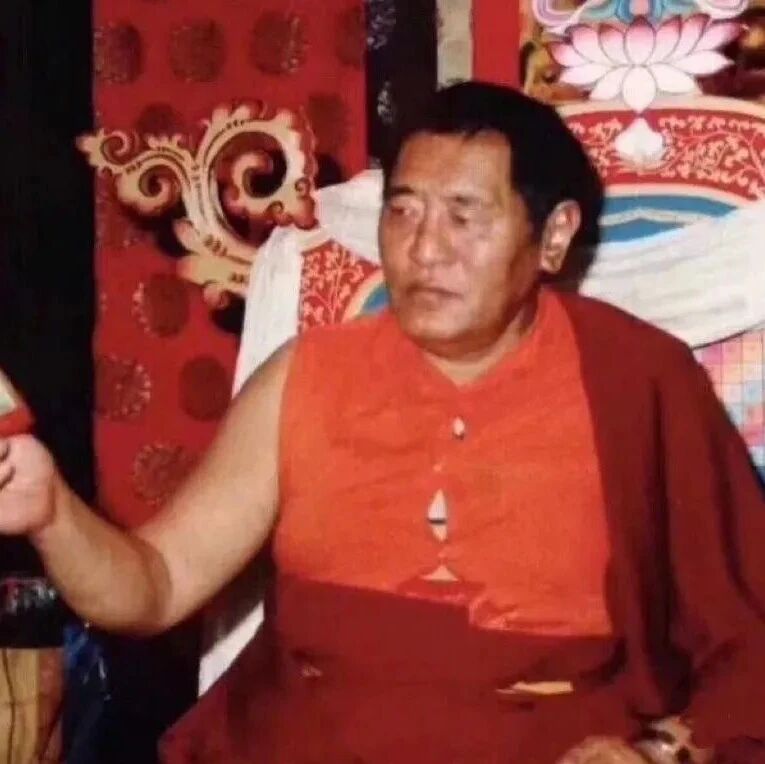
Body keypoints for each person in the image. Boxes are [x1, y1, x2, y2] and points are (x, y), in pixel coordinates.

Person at [1, 81, 765, 763]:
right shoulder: (307, 376)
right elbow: (157, 586)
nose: (424, 250)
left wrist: (663, 751)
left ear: (554, 236)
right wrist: (52, 512)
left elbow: (749, 642)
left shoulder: (638, 379)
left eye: (464, 217)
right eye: (402, 212)